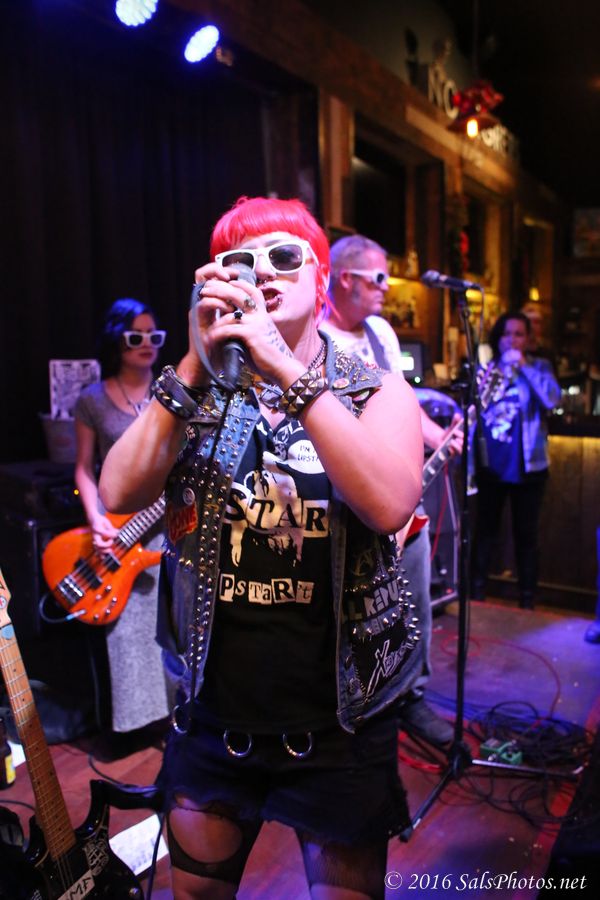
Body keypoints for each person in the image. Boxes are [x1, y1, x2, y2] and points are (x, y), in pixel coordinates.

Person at [99, 196, 423, 900]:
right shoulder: (199, 392)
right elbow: (119, 490)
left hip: (339, 725)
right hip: (216, 715)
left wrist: (285, 368)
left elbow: (390, 502)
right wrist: (193, 360)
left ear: (320, 277)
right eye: (240, 261)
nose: (263, 273)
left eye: (283, 257)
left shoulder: (375, 391)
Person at [323, 233, 456, 748]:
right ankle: (352, 698)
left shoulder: (381, 333)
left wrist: (438, 437)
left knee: (413, 595)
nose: (386, 287)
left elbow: (400, 401)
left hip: (398, 490)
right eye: (379, 277)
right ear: (346, 279)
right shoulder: (315, 335)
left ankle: (411, 696)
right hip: (345, 493)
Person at [74, 298, 170, 739]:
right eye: (136, 337)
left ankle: (181, 720)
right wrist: (96, 518)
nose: (147, 344)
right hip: (120, 531)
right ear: (117, 341)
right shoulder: (92, 399)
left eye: (154, 336)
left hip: (170, 525)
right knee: (129, 632)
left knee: (176, 622)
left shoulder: (172, 389)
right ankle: (141, 726)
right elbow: (83, 468)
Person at [471, 311, 561, 609]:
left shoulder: (540, 366)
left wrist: (523, 367)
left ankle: (527, 600)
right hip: (491, 464)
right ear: (498, 338)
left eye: (519, 334)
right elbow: (476, 409)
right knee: (485, 531)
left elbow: (552, 399)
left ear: (528, 339)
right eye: (507, 334)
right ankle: (476, 593)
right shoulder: (488, 368)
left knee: (527, 535)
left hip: (529, 465)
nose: (512, 340)